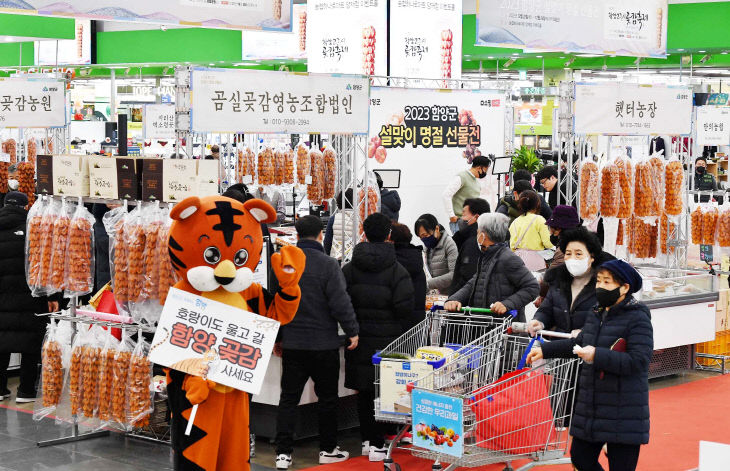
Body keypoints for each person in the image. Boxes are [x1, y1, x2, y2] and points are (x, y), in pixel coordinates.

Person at [526, 259, 653, 471]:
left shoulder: (638, 317)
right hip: (591, 404)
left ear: (625, 288)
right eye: (598, 281)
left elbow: (639, 361)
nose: (600, 287)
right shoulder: (596, 312)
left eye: (607, 282)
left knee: (621, 465)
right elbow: (579, 342)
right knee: (580, 456)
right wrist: (546, 350)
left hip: (624, 407)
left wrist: (597, 356)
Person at [274, 216, 359, 469]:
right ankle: (327, 449)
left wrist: (278, 337)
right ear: (321, 235)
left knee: (288, 398)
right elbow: (339, 302)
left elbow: (276, 302)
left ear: (297, 236)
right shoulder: (329, 264)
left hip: (293, 342)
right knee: (328, 399)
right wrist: (352, 330)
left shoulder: (283, 263)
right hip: (324, 343)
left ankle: (283, 454)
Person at [342, 213, 414, 462]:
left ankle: (366, 441)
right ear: (388, 235)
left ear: (363, 232)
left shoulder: (349, 268)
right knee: (387, 390)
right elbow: (404, 307)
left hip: (359, 338)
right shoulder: (398, 270)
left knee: (363, 391)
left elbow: (342, 302)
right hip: (389, 339)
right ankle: (379, 442)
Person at [0, 191, 58, 403]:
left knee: (1, 342)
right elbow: (43, 267)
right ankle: (26, 390)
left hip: (3, 298)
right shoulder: (33, 230)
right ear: (27, 207)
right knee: (31, 344)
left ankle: (0, 389)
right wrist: (53, 295)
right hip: (31, 296)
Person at [445, 213, 539, 322]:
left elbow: (532, 287)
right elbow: (474, 282)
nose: (476, 234)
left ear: (484, 235)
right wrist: (454, 299)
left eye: (478, 231)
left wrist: (507, 304)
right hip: (485, 326)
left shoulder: (508, 259)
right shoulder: (487, 255)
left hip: (503, 329)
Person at [529, 227, 613, 335]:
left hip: (588, 348)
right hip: (557, 346)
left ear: (591, 257)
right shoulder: (558, 281)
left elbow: (609, 320)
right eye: (568, 254)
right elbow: (546, 309)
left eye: (578, 254)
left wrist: (586, 332)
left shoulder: (603, 285)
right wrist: (539, 321)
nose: (572, 259)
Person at [389, 222, 427, 329]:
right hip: (416, 325)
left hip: (395, 325)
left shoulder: (392, 262)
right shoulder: (416, 259)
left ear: (391, 239)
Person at [450, 198, 490, 295]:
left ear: (476, 217)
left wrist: (454, 297)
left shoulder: (474, 242)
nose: (461, 218)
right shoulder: (473, 239)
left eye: (463, 214)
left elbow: (468, 275)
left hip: (465, 302)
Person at [442, 155, 491, 234]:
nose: (485, 173)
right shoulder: (462, 177)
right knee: (461, 245)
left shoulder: (476, 182)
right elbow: (446, 194)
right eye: (485, 170)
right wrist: (451, 215)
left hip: (472, 222)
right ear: (479, 168)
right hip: (460, 222)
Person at [414, 214, 458, 294]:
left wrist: (429, 283)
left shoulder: (449, 244)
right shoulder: (427, 247)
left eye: (425, 235)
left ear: (437, 229)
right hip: (435, 295)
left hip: (449, 295)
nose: (424, 239)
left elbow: (453, 275)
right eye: (421, 237)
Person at [323, 188, 356, 259]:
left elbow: (327, 243)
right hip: (356, 260)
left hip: (337, 259)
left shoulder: (334, 219)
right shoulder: (361, 219)